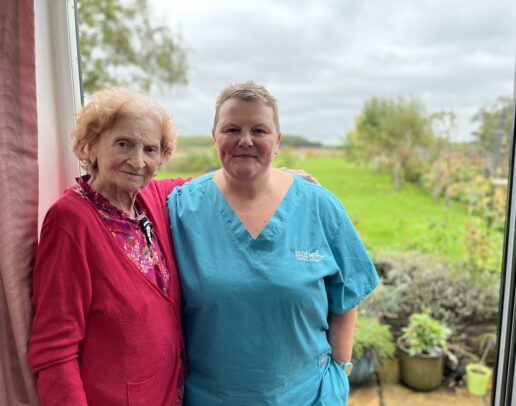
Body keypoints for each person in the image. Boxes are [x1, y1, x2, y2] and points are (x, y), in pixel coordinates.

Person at [167, 81, 380, 405]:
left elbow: (346, 297)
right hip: (212, 397)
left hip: (306, 396)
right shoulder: (182, 209)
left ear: (277, 140)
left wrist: (340, 372)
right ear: (215, 137)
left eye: (259, 130)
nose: (245, 140)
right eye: (232, 129)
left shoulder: (318, 206)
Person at [28, 87, 188, 405]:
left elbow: (215, 186)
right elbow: (55, 350)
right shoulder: (70, 221)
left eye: (150, 149)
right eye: (123, 144)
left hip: (169, 395)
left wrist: (276, 177)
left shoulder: (151, 198)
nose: (138, 161)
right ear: (91, 146)